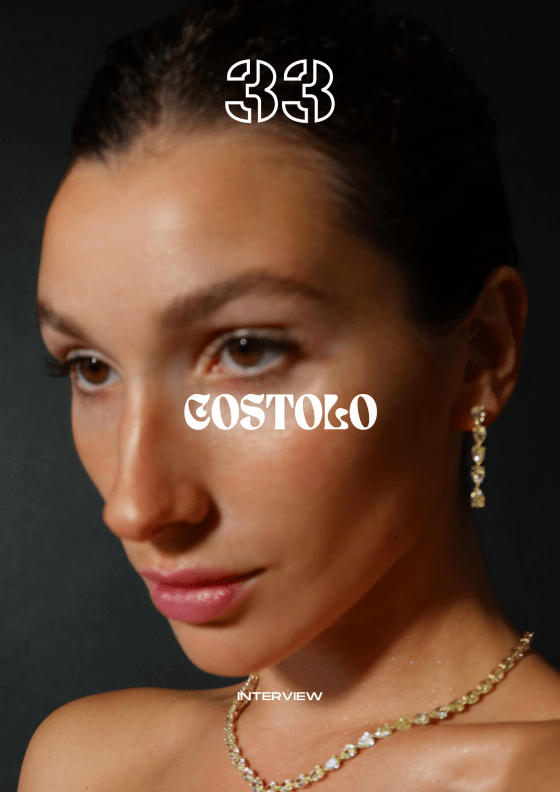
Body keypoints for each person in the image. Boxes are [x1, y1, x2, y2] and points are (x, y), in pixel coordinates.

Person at [18, 0, 560, 789]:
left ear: (480, 353)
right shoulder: (85, 766)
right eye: (91, 367)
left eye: (247, 350)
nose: (135, 508)